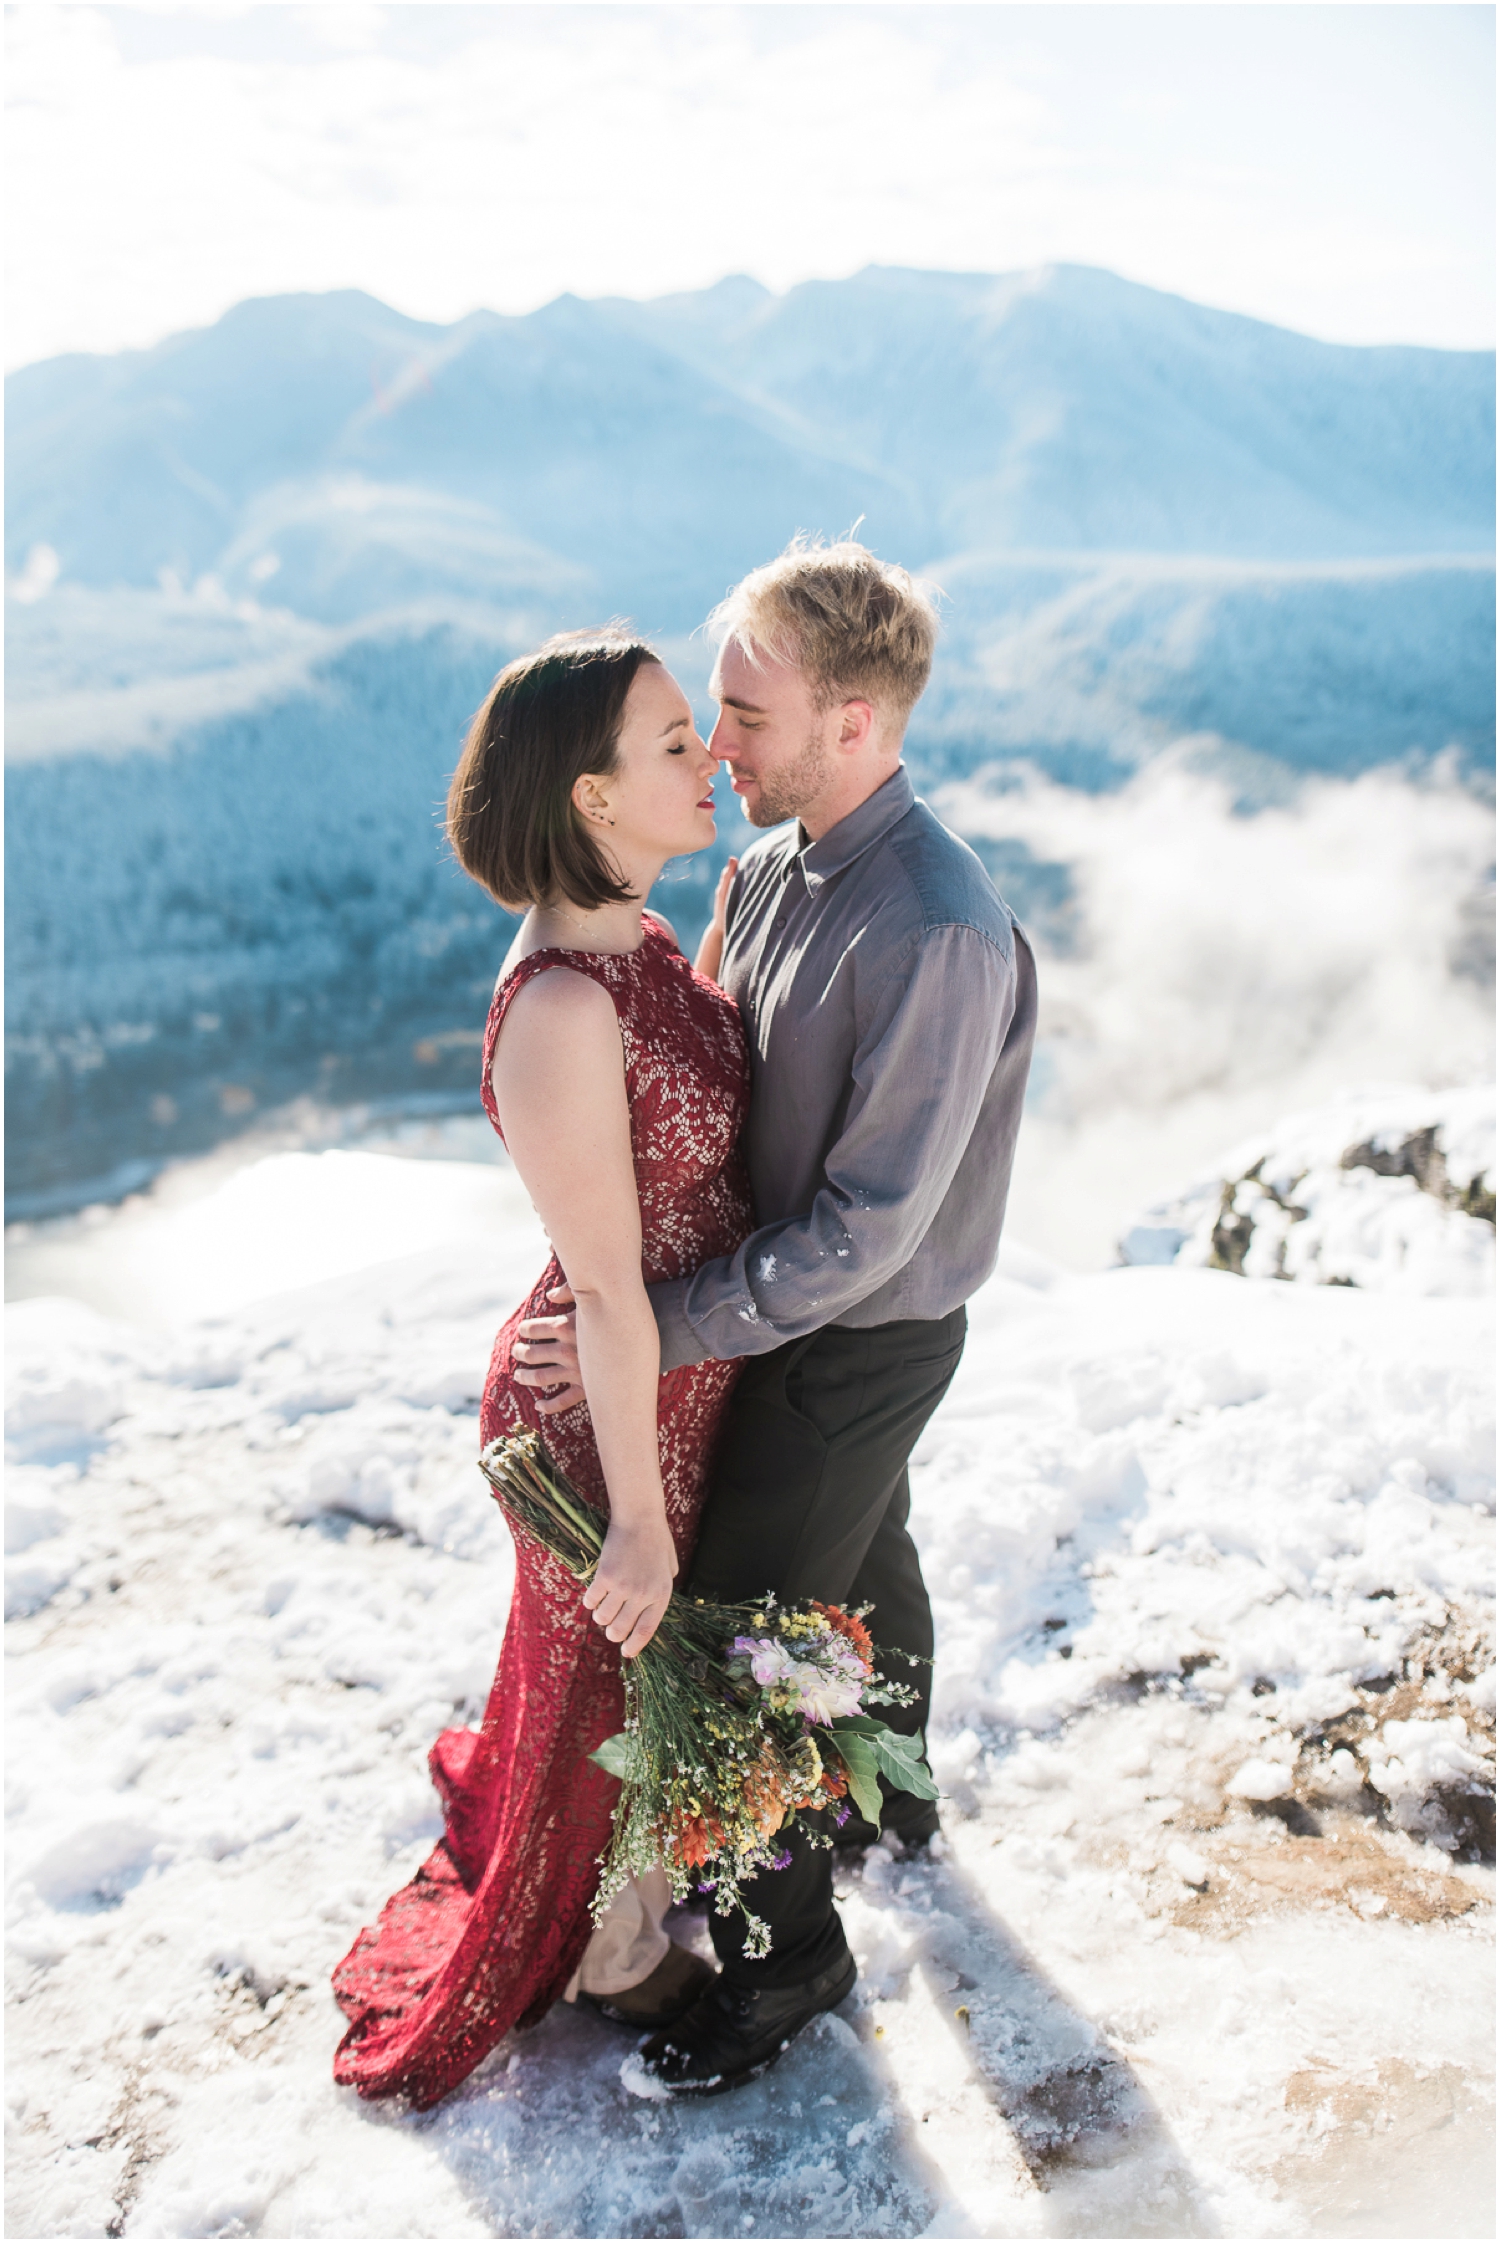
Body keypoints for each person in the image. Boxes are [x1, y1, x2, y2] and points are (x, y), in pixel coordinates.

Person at [516, 540, 1038, 2095]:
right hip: (770, 1322)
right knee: (864, 1554)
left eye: (746, 713)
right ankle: (899, 1797)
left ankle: (785, 1964)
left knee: (744, 1640)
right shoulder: (760, 869)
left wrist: (659, 1323)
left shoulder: (936, 929)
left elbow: (869, 1234)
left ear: (857, 722)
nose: (715, 743)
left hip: (857, 1338)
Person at [331, 629, 755, 2107]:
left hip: (670, 1376)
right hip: (604, 1412)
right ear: (588, 794)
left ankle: (633, 1891)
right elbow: (607, 1289)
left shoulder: (631, 933)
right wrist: (632, 1518)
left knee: (615, 1695)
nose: (705, 757)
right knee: (605, 1698)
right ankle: (600, 1952)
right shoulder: (563, 1009)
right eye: (670, 742)